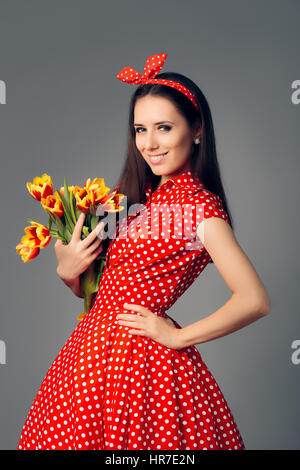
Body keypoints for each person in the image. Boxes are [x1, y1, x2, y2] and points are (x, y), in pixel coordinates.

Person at [17, 53, 270, 450]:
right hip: (86, 360)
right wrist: (68, 272)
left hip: (140, 370)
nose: (149, 143)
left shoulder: (199, 209)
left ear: (197, 129)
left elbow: (255, 300)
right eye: (140, 129)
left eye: (164, 128)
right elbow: (99, 292)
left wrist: (179, 337)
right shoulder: (136, 201)